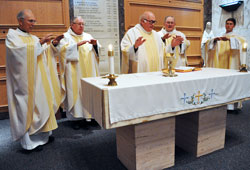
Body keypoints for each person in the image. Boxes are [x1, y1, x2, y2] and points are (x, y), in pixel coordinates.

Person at [5, 9, 62, 152]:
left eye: (34, 21)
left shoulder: (33, 38)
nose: (33, 24)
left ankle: (43, 136)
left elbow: (41, 53)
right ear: (20, 21)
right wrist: (40, 42)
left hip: (39, 81)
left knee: (42, 106)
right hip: (25, 83)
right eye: (31, 21)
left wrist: (52, 45)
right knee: (27, 108)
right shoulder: (12, 36)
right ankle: (28, 143)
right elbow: (18, 55)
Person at [55, 16, 100, 130]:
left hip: (89, 72)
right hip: (74, 73)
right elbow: (61, 52)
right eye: (79, 24)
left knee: (89, 93)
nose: (81, 26)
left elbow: (97, 51)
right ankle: (76, 119)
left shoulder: (88, 36)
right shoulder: (66, 37)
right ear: (72, 25)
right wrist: (75, 46)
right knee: (76, 93)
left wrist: (95, 45)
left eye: (83, 24)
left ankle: (90, 117)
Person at [205, 18, 247, 113]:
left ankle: (231, 106)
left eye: (230, 24)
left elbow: (242, 43)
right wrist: (214, 41)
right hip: (221, 64)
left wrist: (229, 40)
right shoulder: (221, 35)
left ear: (234, 26)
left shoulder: (237, 37)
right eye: (227, 23)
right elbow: (210, 46)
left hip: (231, 63)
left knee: (231, 83)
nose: (228, 25)